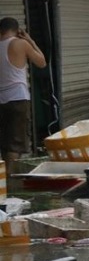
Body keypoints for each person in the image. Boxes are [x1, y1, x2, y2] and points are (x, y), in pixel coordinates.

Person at [0, 17, 46, 162]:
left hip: (1, 100)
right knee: (15, 145)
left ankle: (4, 180)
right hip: (18, 100)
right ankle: (11, 181)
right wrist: (30, 40)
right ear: (17, 31)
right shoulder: (21, 44)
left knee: (5, 144)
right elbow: (42, 62)